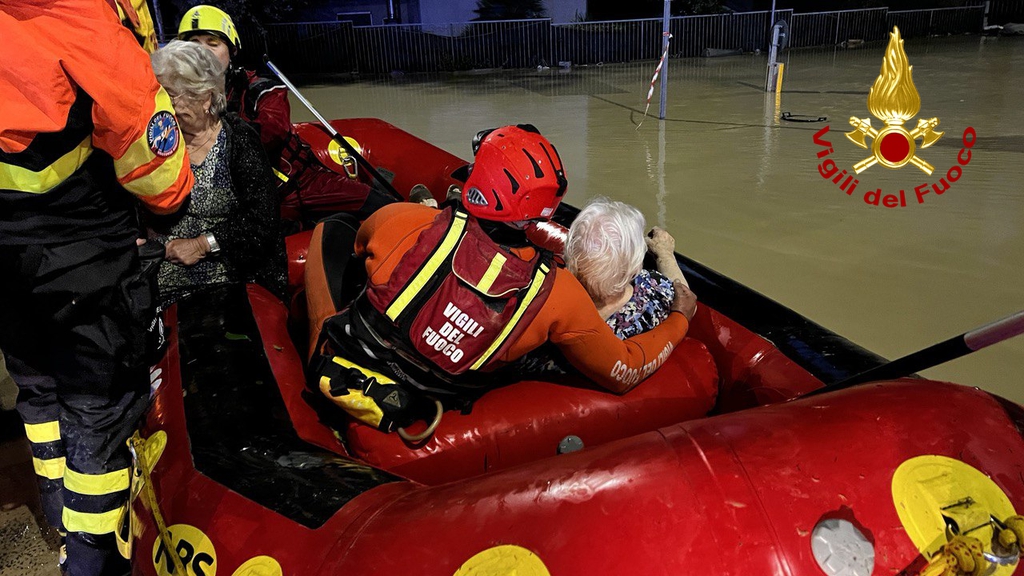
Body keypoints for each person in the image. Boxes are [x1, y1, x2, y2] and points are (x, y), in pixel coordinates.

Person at [305, 125, 697, 435]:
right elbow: (624, 371)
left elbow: (357, 247)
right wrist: (680, 317)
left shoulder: (402, 219)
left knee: (333, 228)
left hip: (351, 362)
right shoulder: (558, 292)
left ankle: (314, 346)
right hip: (432, 398)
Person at [0, 1, 193, 574]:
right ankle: (90, 559)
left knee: (35, 386)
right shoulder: (86, 28)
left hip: (5, 268)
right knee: (97, 416)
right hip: (79, 260)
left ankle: (57, 515)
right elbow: (160, 182)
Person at [177, 5, 397, 221]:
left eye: (212, 44)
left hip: (303, 183)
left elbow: (272, 131)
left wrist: (210, 131)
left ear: (232, 50)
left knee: (382, 206)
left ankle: (399, 201)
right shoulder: (173, 100)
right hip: (254, 198)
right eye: (193, 44)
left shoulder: (262, 90)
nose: (202, 52)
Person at [148, 40, 286, 305]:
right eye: (160, 95)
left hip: (230, 276)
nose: (165, 106)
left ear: (206, 97)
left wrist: (201, 245)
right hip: (160, 276)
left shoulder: (239, 140)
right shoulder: (156, 140)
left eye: (171, 95)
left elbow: (262, 223)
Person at [565, 197, 690, 339]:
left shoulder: (556, 300)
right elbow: (685, 298)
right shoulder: (653, 299)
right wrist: (664, 254)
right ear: (635, 266)